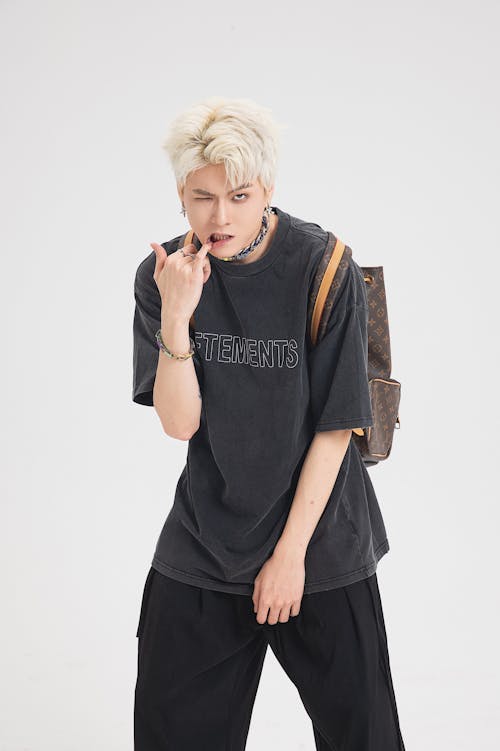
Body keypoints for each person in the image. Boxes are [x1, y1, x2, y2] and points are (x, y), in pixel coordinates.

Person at [132, 95, 406, 750]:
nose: (219, 216)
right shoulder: (163, 275)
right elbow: (180, 423)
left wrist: (289, 559)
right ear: (180, 193)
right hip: (204, 547)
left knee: (364, 737)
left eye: (240, 196)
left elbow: (339, 425)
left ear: (268, 190)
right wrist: (177, 317)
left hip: (321, 548)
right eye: (201, 197)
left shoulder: (323, 265)